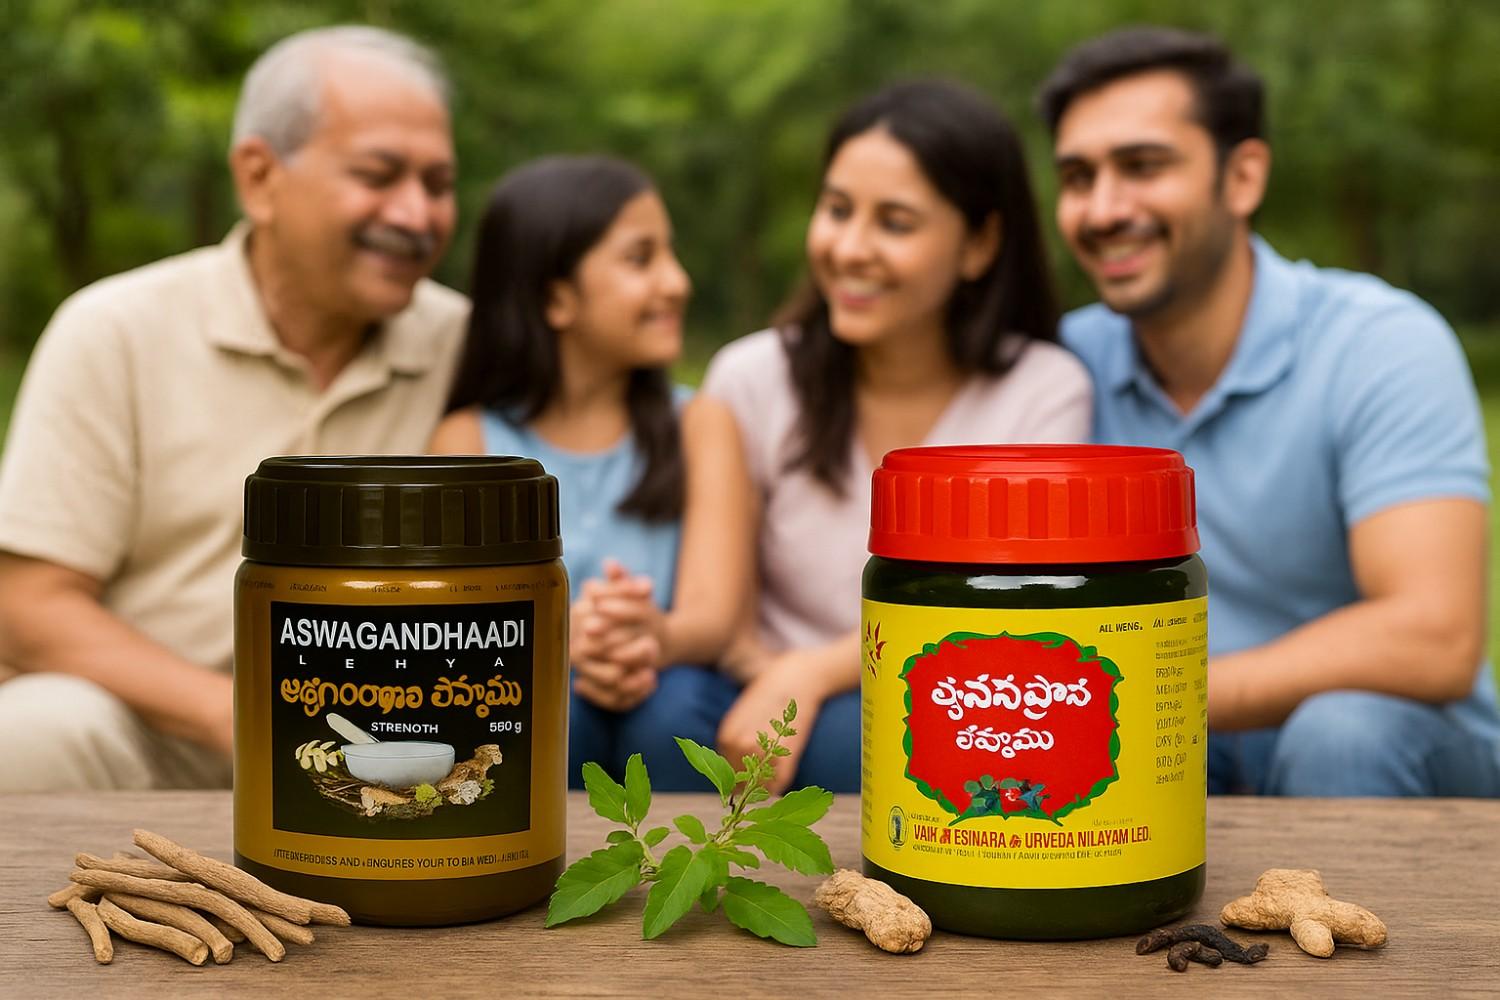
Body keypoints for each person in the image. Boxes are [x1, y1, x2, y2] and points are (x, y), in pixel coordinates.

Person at [588, 80, 1092, 794]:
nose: (850, 248)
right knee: (660, 718)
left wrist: (814, 673)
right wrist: (707, 652)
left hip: (940, 696)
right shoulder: (753, 375)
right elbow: (720, 603)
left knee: (854, 742)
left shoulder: (1043, 390)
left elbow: (996, 612)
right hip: (753, 687)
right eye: (836, 210)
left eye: (895, 222)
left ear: (979, 244)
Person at [0, 26, 468, 791]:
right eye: (379, 175)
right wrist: (240, 719)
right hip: (150, 738)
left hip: (388, 748)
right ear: (259, 176)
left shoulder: (467, 346)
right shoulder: (116, 329)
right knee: (33, 729)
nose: (416, 215)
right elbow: (28, 604)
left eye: (439, 184)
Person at [1037, 26, 1500, 796]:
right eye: (1078, 177)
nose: (1103, 208)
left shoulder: (1379, 343)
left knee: (1340, 732)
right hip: (1174, 749)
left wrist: (1140, 698)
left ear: (1244, 176)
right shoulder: (1061, 369)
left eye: (1143, 167)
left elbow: (1434, 636)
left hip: (1391, 753)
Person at [429, 156, 752, 789]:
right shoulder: (468, 440)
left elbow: (712, 616)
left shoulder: (701, 423)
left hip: (667, 679)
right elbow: (449, 623)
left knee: (673, 713)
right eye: (641, 259)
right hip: (526, 675)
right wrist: (558, 641)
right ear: (556, 297)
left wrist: (649, 634)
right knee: (545, 707)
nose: (677, 282)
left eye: (670, 254)